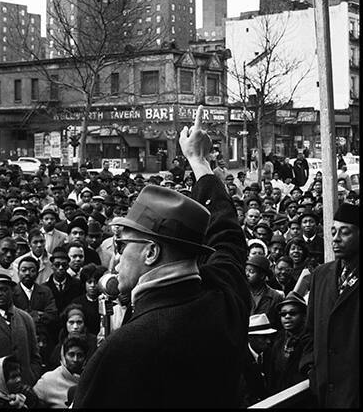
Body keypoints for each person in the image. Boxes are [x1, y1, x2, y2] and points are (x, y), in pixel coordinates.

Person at [72, 105, 251, 408]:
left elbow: (227, 239)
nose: (116, 258)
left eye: (122, 245)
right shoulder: (225, 296)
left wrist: (196, 159)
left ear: (152, 252)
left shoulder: (123, 348)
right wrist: (199, 162)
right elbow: (228, 238)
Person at [299, 203, 359, 408]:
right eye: (333, 231)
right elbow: (309, 330)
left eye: (345, 232)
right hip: (326, 393)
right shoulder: (321, 275)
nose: (336, 238)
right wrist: (311, 369)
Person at [268, 291, 308, 394]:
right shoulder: (278, 339)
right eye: (283, 314)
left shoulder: (310, 340)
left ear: (304, 315)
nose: (287, 317)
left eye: (293, 313)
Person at [33, 335, 89, 409]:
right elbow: (32, 402)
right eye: (71, 355)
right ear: (64, 356)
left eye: (80, 355)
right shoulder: (48, 380)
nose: (75, 359)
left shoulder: (90, 379)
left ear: (85, 358)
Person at [239, 313, 277, 407]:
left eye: (269, 337)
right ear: (250, 338)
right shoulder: (240, 360)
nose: (268, 341)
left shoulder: (272, 354)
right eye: (264, 337)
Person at [48, 304, 97, 370]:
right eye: (71, 322)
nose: (75, 327)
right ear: (66, 324)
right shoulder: (60, 345)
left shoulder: (93, 343)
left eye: (79, 322)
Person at [245, 254, 284, 330]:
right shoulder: (240, 293)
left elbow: (279, 326)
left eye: (251, 271)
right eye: (246, 270)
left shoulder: (275, 297)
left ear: (262, 276)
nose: (247, 274)